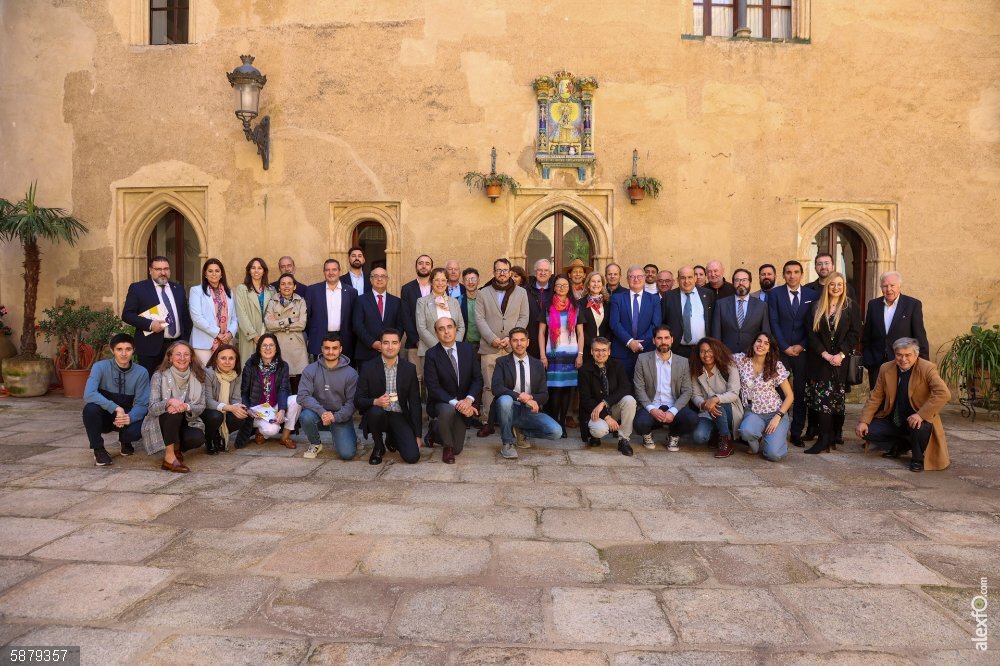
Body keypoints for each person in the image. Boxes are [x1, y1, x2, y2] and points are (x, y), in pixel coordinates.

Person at [857, 337, 950, 472]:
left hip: (918, 419)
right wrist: (863, 421)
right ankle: (900, 445)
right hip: (894, 417)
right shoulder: (886, 368)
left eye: (908, 355)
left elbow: (944, 393)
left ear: (916, 355)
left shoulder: (927, 368)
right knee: (866, 431)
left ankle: (917, 459)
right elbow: (875, 397)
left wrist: (921, 415)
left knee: (919, 427)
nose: (903, 359)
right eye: (899, 355)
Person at [804, 272, 863, 454]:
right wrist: (825, 354)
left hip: (840, 362)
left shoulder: (850, 307)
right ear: (827, 287)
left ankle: (830, 437)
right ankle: (824, 439)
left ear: (844, 286)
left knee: (835, 400)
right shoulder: (816, 307)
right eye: (832, 284)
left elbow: (855, 333)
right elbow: (810, 334)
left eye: (839, 284)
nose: (836, 288)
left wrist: (840, 354)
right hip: (819, 361)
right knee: (822, 400)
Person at [474, 258, 530, 436]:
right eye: (498, 270)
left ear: (510, 271)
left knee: (513, 386)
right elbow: (479, 319)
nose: (502, 273)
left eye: (505, 270)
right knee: (489, 387)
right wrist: (492, 338)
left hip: (512, 348)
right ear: (493, 272)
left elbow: (523, 317)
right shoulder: (483, 293)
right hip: (490, 347)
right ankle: (487, 421)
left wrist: (509, 338)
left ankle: (513, 422)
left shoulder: (521, 293)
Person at [767, 260, 819, 447]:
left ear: (801, 274)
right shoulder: (775, 294)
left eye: (796, 272)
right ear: (783, 274)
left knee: (800, 391)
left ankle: (796, 432)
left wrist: (801, 345)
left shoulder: (812, 295)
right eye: (788, 272)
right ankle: (778, 429)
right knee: (779, 391)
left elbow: (814, 324)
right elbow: (774, 322)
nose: (792, 275)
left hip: (803, 352)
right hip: (781, 351)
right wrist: (784, 346)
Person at [491, 327, 563, 459]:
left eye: (522, 340)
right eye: (515, 340)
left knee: (556, 432)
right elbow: (496, 388)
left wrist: (531, 397)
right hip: (509, 409)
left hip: (529, 411)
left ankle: (522, 431)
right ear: (510, 343)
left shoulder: (538, 365)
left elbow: (544, 395)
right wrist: (520, 397)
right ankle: (507, 443)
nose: (519, 344)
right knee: (505, 399)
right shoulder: (501, 362)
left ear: (528, 342)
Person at [355, 329, 422, 465]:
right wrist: (375, 401)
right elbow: (358, 400)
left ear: (399, 345)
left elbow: (415, 403)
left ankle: (392, 438)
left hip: (399, 415)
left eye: (394, 343)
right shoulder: (368, 367)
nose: (390, 347)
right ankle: (379, 446)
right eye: (386, 343)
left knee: (412, 457)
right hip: (378, 414)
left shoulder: (409, 369)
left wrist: (417, 434)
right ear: (380, 346)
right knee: (375, 412)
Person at [82, 333, 149, 466]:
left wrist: (128, 417)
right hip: (105, 414)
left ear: (133, 350)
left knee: (136, 431)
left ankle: (125, 440)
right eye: (119, 349)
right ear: (112, 350)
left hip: (126, 415)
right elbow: (89, 394)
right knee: (90, 409)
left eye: (128, 349)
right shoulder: (100, 367)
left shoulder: (141, 372)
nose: (124, 354)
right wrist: (116, 408)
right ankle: (98, 449)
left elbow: (143, 403)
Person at [141, 341, 207, 473]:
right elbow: (152, 407)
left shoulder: (199, 376)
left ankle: (177, 447)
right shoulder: (159, 376)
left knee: (197, 438)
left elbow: (201, 405)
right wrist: (169, 402)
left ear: (191, 357)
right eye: (178, 354)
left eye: (186, 354)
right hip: (162, 421)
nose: (182, 358)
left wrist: (186, 406)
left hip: (187, 421)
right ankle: (169, 457)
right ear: (170, 358)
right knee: (173, 413)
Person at [424, 317, 483, 464]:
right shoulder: (431, 354)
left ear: (456, 329)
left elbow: (477, 379)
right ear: (436, 333)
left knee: (458, 449)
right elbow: (433, 387)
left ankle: (435, 430)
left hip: (464, 402)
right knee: (447, 411)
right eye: (441, 329)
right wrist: (458, 404)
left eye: (449, 327)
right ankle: (447, 448)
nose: (446, 332)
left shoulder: (468, 349)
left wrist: (469, 400)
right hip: (442, 402)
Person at [121, 255, 191, 376]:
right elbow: (127, 314)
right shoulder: (138, 288)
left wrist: (185, 342)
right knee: (149, 383)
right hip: (150, 347)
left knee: (175, 382)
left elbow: (185, 318)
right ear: (150, 270)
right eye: (158, 269)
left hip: (177, 347)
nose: (162, 272)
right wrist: (150, 324)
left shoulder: (178, 289)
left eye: (166, 269)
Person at [633, 325, 699, 451]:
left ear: (672, 339)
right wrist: (652, 409)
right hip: (652, 406)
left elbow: (687, 391)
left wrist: (673, 411)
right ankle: (647, 435)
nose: (663, 342)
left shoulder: (683, 362)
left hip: (674, 406)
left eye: (666, 338)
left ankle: (673, 435)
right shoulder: (642, 359)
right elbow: (639, 388)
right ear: (653, 340)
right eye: (659, 338)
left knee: (692, 419)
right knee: (640, 423)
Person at [862, 271, 929, 390]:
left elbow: (919, 335)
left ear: (899, 286)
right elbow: (867, 335)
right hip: (877, 364)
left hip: (903, 362)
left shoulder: (912, 305)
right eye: (885, 286)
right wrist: (868, 358)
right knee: (878, 401)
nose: (889, 289)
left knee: (900, 400)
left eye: (892, 285)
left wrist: (923, 364)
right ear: (881, 287)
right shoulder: (873, 305)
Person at [297, 333, 359, 461]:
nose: (330, 352)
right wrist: (323, 412)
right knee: (306, 416)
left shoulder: (351, 373)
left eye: (334, 348)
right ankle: (315, 443)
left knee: (347, 454)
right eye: (327, 348)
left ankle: (348, 436)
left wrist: (335, 417)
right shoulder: (310, 370)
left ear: (341, 349)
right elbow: (302, 396)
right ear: (322, 349)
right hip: (318, 413)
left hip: (340, 416)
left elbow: (352, 403)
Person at [733, 333, 793, 461]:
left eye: (766, 343)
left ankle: (780, 441)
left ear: (770, 348)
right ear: (754, 343)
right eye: (759, 341)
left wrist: (778, 416)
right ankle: (756, 446)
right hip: (753, 412)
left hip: (775, 412)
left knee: (773, 455)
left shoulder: (776, 366)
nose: (761, 345)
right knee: (746, 431)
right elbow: (720, 356)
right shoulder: (741, 360)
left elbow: (790, 396)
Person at [235, 333, 301, 449]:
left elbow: (283, 389)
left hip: (274, 406)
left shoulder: (282, 366)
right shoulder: (250, 366)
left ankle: (284, 437)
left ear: (276, 348)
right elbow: (244, 391)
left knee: (297, 400)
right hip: (256, 411)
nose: (268, 348)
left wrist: (281, 409)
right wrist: (249, 409)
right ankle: (260, 432)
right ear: (259, 349)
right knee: (272, 430)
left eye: (271, 345)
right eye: (264, 345)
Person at [578, 337, 636, 456]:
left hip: (612, 407)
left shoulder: (617, 365)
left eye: (604, 350)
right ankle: (594, 436)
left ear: (609, 352)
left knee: (629, 400)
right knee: (599, 430)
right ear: (591, 352)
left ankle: (623, 440)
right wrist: (606, 417)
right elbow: (586, 400)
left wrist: (604, 403)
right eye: (597, 350)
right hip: (594, 412)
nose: (601, 354)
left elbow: (625, 388)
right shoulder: (584, 370)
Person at [538, 274, 579, 438]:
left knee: (568, 390)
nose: (562, 288)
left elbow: (580, 333)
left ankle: (562, 423)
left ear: (569, 288)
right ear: (553, 287)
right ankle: (554, 422)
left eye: (565, 285)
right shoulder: (547, 307)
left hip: (571, 354)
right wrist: (542, 355)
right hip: (553, 354)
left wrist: (580, 354)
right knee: (554, 390)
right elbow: (541, 333)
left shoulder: (575, 306)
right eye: (559, 285)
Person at [690, 337, 743, 459]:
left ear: (716, 351)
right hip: (707, 411)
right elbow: (695, 395)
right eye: (702, 351)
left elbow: (734, 393)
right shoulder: (696, 370)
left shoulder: (729, 367)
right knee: (699, 437)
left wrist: (714, 399)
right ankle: (717, 432)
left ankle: (726, 441)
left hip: (730, 408)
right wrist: (704, 404)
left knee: (717, 404)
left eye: (710, 351)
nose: (706, 355)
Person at [609, 265, 662, 378]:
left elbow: (656, 324)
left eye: (639, 276)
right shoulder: (617, 298)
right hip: (622, 352)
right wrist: (630, 342)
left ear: (644, 278)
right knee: (622, 389)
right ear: (627, 279)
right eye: (632, 277)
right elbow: (614, 324)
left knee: (645, 387)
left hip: (646, 351)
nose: (636, 279)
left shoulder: (654, 299)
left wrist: (640, 343)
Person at [188, 258, 238, 365]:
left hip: (226, 342)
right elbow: (197, 318)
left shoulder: (229, 292)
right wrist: (217, 333)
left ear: (221, 274)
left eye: (217, 271)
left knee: (223, 374)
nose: (214, 274)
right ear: (205, 274)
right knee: (205, 376)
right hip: (203, 344)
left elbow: (234, 317)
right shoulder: (196, 291)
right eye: (210, 271)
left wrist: (230, 333)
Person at [306, 258, 357, 362]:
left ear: (339, 271)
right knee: (320, 373)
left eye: (334, 269)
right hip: (319, 338)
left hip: (343, 340)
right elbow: (307, 316)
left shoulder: (351, 292)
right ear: (324, 272)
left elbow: (353, 318)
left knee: (342, 373)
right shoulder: (312, 290)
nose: (331, 272)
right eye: (327, 270)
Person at [201, 343, 249, 455]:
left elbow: (236, 398)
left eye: (231, 358)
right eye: (223, 358)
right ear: (216, 359)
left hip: (226, 409)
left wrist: (238, 407)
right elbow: (207, 401)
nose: (227, 362)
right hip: (207, 411)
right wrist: (230, 408)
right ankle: (210, 437)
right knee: (216, 416)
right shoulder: (208, 373)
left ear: (236, 361)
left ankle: (219, 435)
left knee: (241, 416)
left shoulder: (236, 375)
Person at [265, 273, 309, 393]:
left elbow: (302, 324)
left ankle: (296, 411)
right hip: (278, 345)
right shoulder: (272, 302)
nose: (286, 286)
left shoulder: (301, 301)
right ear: (279, 287)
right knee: (279, 384)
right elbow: (269, 324)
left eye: (289, 283)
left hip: (296, 347)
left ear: (294, 286)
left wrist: (278, 324)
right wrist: (288, 320)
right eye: (283, 284)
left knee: (296, 386)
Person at [662, 266, 715, 361]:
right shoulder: (668, 297)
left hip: (703, 350)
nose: (686, 281)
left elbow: (713, 321)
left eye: (690, 277)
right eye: (683, 278)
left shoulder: (708, 294)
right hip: (677, 350)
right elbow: (663, 322)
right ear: (678, 280)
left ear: (695, 278)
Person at [712, 268, 771, 354]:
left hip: (752, 356)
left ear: (750, 283)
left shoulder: (761, 306)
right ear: (733, 283)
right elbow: (716, 334)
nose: (741, 283)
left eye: (744, 280)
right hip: (727, 356)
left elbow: (766, 334)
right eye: (737, 280)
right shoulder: (721, 304)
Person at [352, 268, 403, 365]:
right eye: (376, 276)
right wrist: (372, 343)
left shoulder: (396, 301)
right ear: (370, 280)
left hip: (390, 352)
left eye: (383, 276)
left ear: (387, 279)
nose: (379, 279)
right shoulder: (360, 300)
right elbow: (357, 325)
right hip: (366, 352)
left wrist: (390, 343)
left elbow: (400, 325)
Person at [400, 254, 434, 387]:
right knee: (415, 379)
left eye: (427, 263)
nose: (424, 266)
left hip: (435, 343)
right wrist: (416, 339)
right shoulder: (407, 289)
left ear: (431, 267)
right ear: (416, 266)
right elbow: (405, 316)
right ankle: (416, 407)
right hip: (415, 343)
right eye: (420, 263)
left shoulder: (439, 287)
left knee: (433, 379)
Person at [234, 257, 276, 363]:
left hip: (267, 332)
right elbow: (241, 314)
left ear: (264, 271)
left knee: (267, 366)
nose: (256, 271)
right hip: (250, 334)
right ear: (249, 271)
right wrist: (254, 336)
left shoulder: (271, 290)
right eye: (253, 268)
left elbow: (275, 312)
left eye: (260, 268)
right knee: (250, 366)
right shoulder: (242, 289)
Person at [576, 271, 611, 367]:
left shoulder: (608, 304)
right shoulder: (580, 304)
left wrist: (605, 345)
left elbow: (610, 327)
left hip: (604, 352)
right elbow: (579, 330)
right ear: (587, 284)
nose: (596, 284)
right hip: (586, 350)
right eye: (593, 281)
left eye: (599, 281)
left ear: (603, 284)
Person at [526, 259, 554, 359]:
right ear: (535, 272)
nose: (542, 273)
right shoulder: (525, 291)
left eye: (546, 270)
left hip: (552, 341)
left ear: (550, 273)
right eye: (540, 270)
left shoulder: (556, 291)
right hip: (530, 340)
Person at [461, 267, 481, 346]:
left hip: (484, 344)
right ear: (463, 282)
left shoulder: (486, 298)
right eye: (467, 279)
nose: (470, 282)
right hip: (466, 343)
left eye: (473, 279)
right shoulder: (458, 301)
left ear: (478, 281)